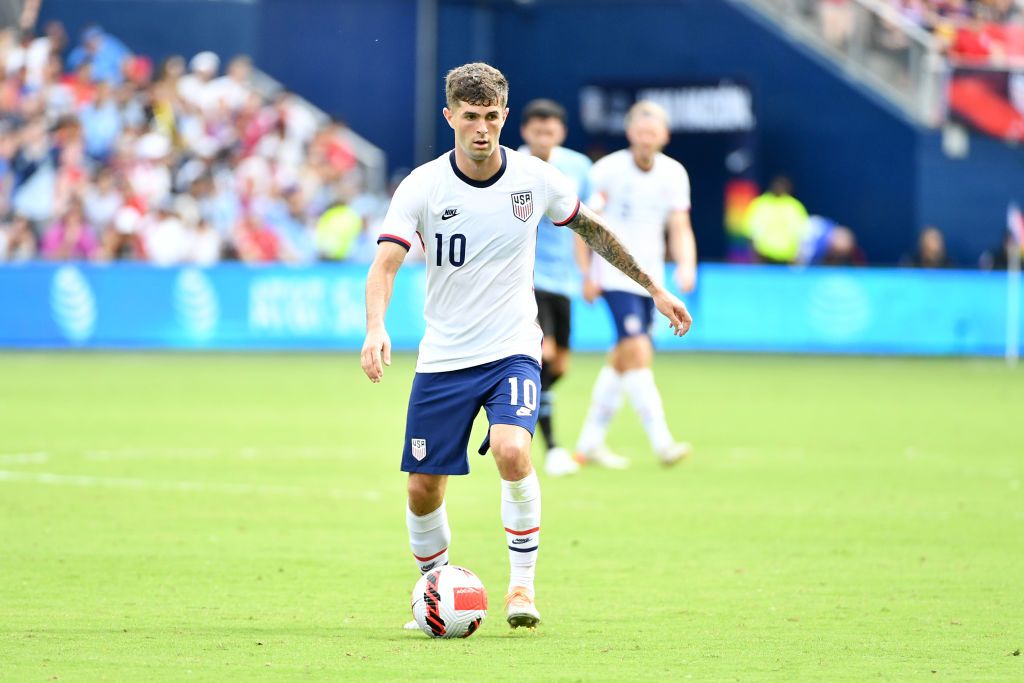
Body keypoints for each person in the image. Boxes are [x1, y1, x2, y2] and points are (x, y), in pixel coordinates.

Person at [360, 63, 691, 631]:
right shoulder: (421, 186)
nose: (482, 129)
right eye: (470, 118)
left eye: (491, 117)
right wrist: (376, 326)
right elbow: (385, 263)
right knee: (422, 488)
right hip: (444, 357)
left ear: (505, 117)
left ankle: (521, 588)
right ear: (450, 118)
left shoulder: (534, 179)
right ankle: (435, 592)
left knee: (514, 451)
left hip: (513, 344)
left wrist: (654, 287)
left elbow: (595, 232)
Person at [574, 100, 696, 469]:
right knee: (639, 352)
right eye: (640, 131)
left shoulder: (674, 174)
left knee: (624, 357)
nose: (646, 138)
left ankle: (589, 443)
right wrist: (586, 274)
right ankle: (662, 443)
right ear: (630, 134)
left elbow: (679, 226)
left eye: (653, 131)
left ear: (664, 136)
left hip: (652, 281)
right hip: (614, 275)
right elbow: (583, 224)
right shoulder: (607, 170)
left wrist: (687, 265)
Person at [518, 98, 592, 477]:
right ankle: (552, 448)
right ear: (525, 132)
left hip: (564, 281)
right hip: (527, 280)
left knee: (560, 364)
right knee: (543, 355)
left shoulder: (579, 167)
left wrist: (588, 273)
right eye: (537, 130)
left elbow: (586, 226)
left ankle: (517, 408)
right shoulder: (510, 166)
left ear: (560, 133)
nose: (543, 136)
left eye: (550, 130)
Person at [744, 176, 809, 264]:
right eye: (777, 185)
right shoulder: (760, 204)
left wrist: (799, 256)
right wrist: (754, 256)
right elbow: (751, 232)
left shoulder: (794, 207)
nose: (779, 188)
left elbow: (802, 234)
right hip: (764, 259)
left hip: (788, 260)